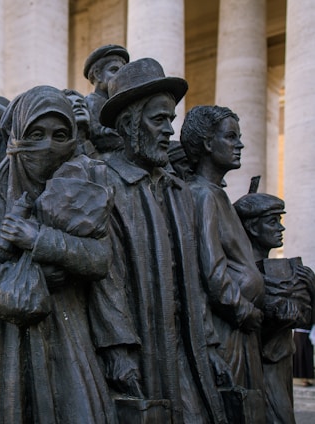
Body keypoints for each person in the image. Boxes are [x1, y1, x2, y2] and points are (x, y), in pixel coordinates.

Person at [0, 85, 118, 423]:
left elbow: (99, 258)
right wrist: (24, 278)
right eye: (36, 133)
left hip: (67, 336)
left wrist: (39, 238)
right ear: (16, 135)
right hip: (2, 342)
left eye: (59, 135)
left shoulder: (79, 196)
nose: (48, 146)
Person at [98, 58, 228, 423]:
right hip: (139, 344)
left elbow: (196, 279)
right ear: (128, 123)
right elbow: (106, 279)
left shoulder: (177, 190)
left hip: (186, 346)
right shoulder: (103, 182)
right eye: (159, 120)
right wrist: (118, 350)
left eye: (171, 120)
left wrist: (210, 344)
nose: (170, 130)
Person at [180, 105, 266, 419]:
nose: (240, 144)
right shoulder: (201, 195)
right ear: (206, 143)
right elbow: (212, 272)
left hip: (240, 325)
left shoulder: (216, 194)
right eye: (231, 137)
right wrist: (244, 310)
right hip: (228, 326)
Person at [234, 188, 315, 422]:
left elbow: (307, 320)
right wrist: (276, 316)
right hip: (257, 367)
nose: (281, 228)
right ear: (252, 227)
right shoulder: (244, 274)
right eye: (273, 222)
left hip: (282, 364)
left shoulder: (287, 272)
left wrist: (311, 288)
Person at [83, 44, 129, 156]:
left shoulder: (121, 107)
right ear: (98, 75)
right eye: (114, 70)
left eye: (122, 72)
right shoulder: (89, 103)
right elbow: (103, 137)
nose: (120, 77)